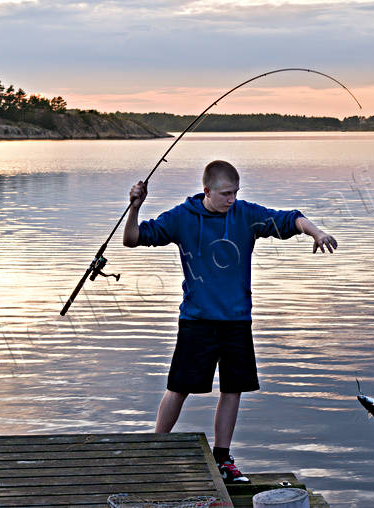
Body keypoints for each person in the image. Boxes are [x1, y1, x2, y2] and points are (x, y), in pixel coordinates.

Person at [123, 160, 337, 483]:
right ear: (206, 190)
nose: (232, 199)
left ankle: (223, 458)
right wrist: (134, 208)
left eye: (236, 193)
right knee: (179, 388)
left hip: (237, 320)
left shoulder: (245, 215)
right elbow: (132, 238)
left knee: (233, 388)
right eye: (226, 194)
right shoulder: (182, 217)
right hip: (197, 320)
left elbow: (291, 218)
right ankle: (157, 447)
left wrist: (316, 231)